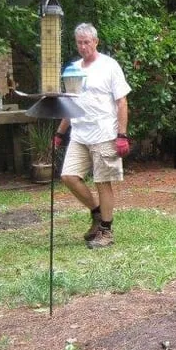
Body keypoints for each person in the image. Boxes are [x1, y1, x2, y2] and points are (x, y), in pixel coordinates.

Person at [53, 23, 132, 249]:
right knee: (68, 176)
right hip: (79, 133)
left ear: (96, 42)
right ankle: (97, 214)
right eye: (79, 42)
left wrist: (122, 135)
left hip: (104, 133)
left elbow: (122, 101)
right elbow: (71, 103)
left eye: (87, 41)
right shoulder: (74, 69)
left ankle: (106, 232)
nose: (83, 46)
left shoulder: (109, 66)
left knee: (102, 182)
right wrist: (60, 132)